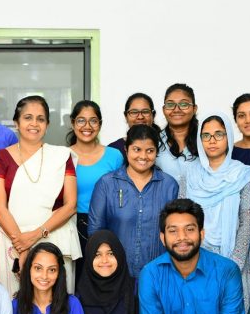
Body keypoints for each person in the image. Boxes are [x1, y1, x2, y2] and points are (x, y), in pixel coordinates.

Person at [0, 95, 80, 295]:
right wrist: (22, 246)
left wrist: (35, 236)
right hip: (11, 240)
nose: (34, 123)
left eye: (40, 119)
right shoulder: (1, 157)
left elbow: (70, 205)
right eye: (28, 117)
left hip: (52, 237)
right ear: (16, 123)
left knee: (54, 302)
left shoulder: (61, 156)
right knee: (14, 302)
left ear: (47, 125)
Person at [186, 112, 250, 309]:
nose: (212, 140)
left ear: (229, 137)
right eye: (206, 135)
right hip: (196, 259)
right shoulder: (190, 175)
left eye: (219, 134)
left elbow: (248, 221)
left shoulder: (243, 174)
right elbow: (183, 220)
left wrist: (234, 264)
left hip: (233, 258)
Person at [88, 125, 179, 278]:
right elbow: (95, 232)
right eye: (137, 149)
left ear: (156, 152)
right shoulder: (107, 183)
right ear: (126, 149)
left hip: (158, 273)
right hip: (116, 274)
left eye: (150, 150)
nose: (143, 156)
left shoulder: (169, 185)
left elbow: (175, 231)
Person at [67, 100, 123, 279]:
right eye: (81, 120)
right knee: (75, 279)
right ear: (73, 123)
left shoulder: (114, 156)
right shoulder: (63, 156)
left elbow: (121, 195)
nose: (87, 126)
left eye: (93, 121)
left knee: (104, 278)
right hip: (71, 224)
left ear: (100, 124)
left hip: (107, 224)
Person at [156, 83, 199, 196]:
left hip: (201, 206)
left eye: (184, 104)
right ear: (164, 109)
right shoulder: (154, 143)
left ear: (194, 109)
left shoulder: (206, 140)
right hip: (163, 206)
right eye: (170, 104)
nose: (176, 109)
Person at [107, 93, 162, 160]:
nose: (140, 117)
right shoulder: (113, 150)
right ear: (126, 116)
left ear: (153, 115)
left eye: (145, 112)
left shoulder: (165, 145)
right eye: (134, 112)